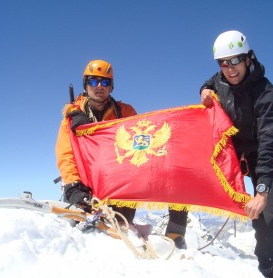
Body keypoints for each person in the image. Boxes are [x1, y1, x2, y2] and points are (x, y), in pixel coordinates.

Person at [55, 59, 188, 249]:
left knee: (177, 172)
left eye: (105, 82)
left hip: (120, 187)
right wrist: (73, 186)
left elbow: (139, 144)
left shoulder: (125, 112)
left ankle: (176, 236)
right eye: (93, 81)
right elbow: (66, 154)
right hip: (84, 187)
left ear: (111, 87)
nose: (99, 86)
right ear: (85, 84)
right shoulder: (72, 118)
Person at [200, 31, 273, 278]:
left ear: (248, 58)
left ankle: (267, 271)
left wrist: (262, 192)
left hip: (261, 154)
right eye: (223, 63)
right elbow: (212, 81)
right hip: (231, 149)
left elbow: (271, 145)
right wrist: (204, 90)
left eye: (235, 60)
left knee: (267, 217)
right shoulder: (221, 80)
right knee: (188, 171)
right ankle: (176, 235)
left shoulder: (269, 97)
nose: (229, 69)